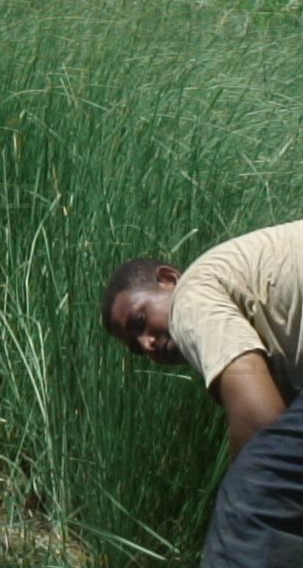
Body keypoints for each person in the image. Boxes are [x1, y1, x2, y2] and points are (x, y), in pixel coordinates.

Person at [101, 220, 303, 565]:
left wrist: (240, 502)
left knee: (251, 503)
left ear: (169, 278)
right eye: (137, 347)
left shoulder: (191, 295)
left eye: (140, 321)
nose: (147, 344)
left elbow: (261, 423)